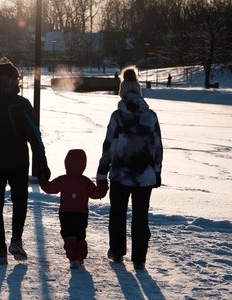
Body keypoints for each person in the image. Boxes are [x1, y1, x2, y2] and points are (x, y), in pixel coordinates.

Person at [0, 62, 50, 265]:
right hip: (17, 161)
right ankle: (16, 240)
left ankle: (0, 250)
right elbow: (35, 135)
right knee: (20, 202)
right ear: (14, 80)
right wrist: (42, 164)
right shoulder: (22, 104)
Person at [97, 67, 163, 270]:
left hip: (120, 175)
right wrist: (157, 171)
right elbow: (157, 146)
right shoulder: (150, 116)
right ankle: (139, 258)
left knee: (117, 214)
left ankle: (117, 252)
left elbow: (109, 145)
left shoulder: (117, 116)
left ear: (122, 92)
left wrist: (101, 172)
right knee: (140, 217)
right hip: (145, 176)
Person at [39, 149, 108, 269]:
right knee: (80, 235)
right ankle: (80, 257)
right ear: (83, 164)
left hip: (66, 213)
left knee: (68, 234)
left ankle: (73, 258)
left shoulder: (63, 179)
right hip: (81, 213)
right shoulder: (85, 181)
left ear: (66, 162)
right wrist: (104, 187)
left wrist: (42, 179)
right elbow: (97, 194)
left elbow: (49, 188)